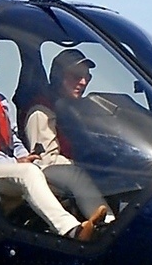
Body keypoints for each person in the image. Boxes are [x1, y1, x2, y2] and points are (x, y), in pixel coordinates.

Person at [0, 49, 105, 241]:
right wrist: (19, 164)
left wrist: (24, 155)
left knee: (72, 173)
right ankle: (72, 231)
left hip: (6, 170)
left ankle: (107, 226)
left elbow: (14, 139)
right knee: (28, 173)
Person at [23, 49, 114, 225]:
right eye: (76, 76)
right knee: (76, 174)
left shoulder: (77, 110)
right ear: (58, 77)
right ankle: (107, 224)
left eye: (87, 77)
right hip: (52, 177)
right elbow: (46, 161)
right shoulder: (41, 110)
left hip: (77, 173)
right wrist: (82, 166)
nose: (83, 82)